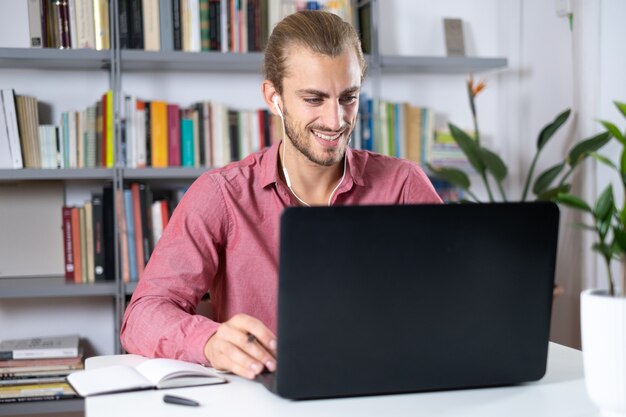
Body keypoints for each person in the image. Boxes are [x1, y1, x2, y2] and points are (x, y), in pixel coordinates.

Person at [120, 10, 442, 380]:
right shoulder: (222, 195)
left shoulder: (403, 185)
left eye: (348, 98)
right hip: (268, 396)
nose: (336, 121)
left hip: (386, 388)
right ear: (274, 98)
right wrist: (209, 341)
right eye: (314, 99)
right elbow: (142, 316)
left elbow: (455, 300)